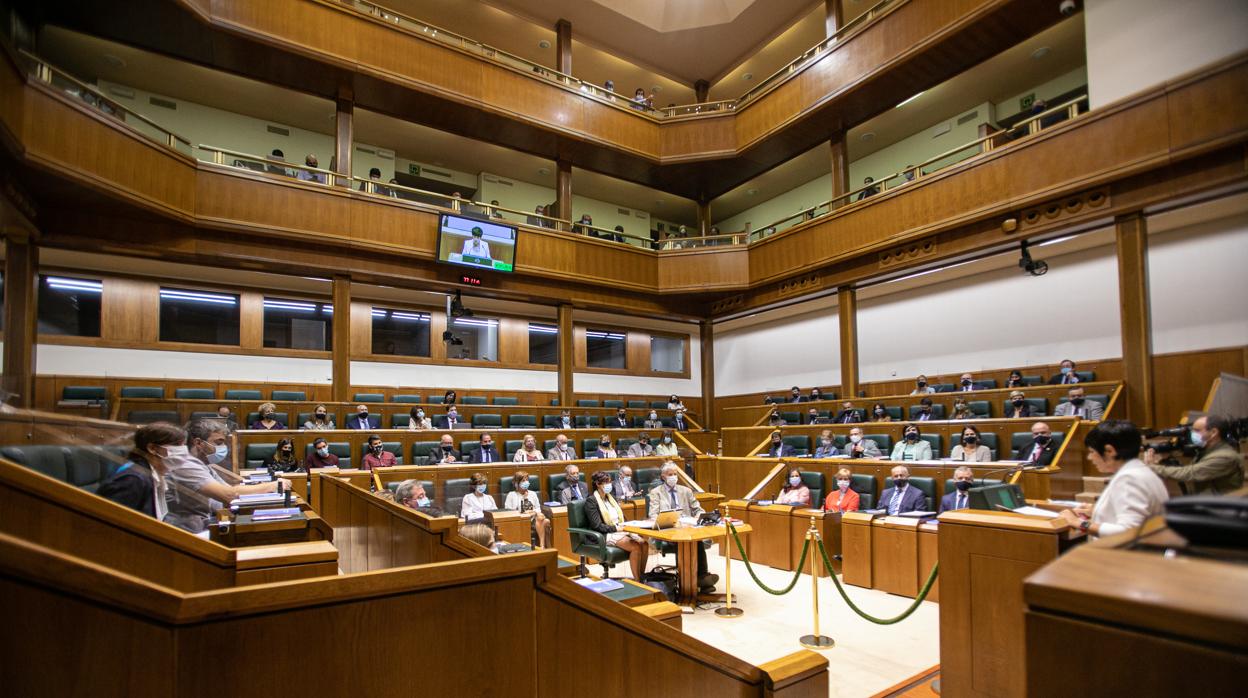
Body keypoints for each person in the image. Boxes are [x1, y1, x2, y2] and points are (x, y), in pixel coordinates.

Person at [165, 419, 288, 533]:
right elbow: (228, 495)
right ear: (198, 443)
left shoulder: (205, 464)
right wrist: (273, 486)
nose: (222, 448)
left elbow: (230, 489)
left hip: (204, 522)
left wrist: (261, 487)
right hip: (186, 532)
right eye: (218, 442)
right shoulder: (185, 465)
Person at [1058, 420, 1168, 538]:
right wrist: (1097, 511)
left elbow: (1129, 531)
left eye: (1092, 452)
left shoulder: (1129, 479)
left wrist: (1077, 522)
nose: (1089, 457)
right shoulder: (1140, 471)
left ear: (1110, 451)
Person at [649, 462, 716, 591]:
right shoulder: (656, 492)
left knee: (697, 541)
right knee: (687, 543)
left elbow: (698, 509)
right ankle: (691, 581)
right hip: (668, 531)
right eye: (670, 474)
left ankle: (701, 578)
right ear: (663, 476)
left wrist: (698, 516)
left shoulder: (686, 491)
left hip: (687, 528)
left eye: (675, 474)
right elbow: (653, 515)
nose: (673, 477)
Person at [95, 422, 183, 520]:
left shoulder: (151, 472)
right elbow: (109, 523)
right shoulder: (133, 480)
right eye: (176, 446)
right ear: (152, 448)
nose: (181, 452)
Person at [1145, 414, 1244, 495]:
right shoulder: (1206, 451)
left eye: (1196, 430)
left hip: (1221, 512)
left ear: (1213, 432)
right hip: (1208, 507)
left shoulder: (1225, 457)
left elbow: (1189, 473)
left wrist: (1153, 467)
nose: (1192, 434)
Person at [585, 470, 649, 580]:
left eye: (610, 482)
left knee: (644, 544)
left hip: (620, 529)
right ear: (598, 484)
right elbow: (597, 526)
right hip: (605, 533)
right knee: (636, 547)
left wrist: (629, 526)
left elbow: (621, 516)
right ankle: (638, 581)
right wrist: (616, 528)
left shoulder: (611, 497)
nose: (609, 485)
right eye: (606, 482)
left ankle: (641, 575)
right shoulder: (591, 501)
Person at [504, 469, 549, 547]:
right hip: (520, 521)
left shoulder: (533, 494)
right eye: (523, 481)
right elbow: (509, 512)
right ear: (516, 483)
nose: (526, 482)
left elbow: (538, 508)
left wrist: (533, 512)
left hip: (534, 519)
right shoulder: (511, 495)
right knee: (546, 521)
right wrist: (523, 501)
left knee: (541, 517)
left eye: (527, 480)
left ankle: (542, 546)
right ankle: (544, 546)